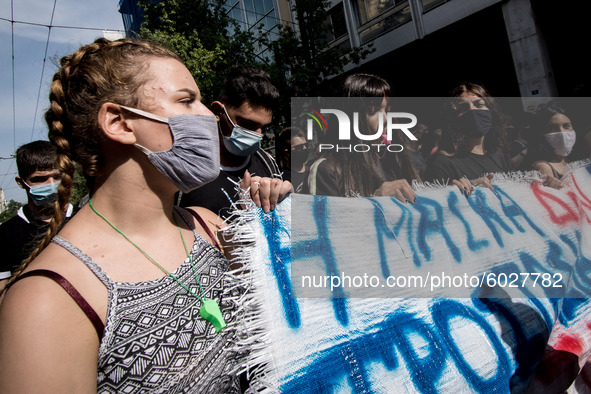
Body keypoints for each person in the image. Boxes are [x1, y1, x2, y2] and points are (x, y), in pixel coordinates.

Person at [0, 38, 247, 392]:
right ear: (119, 122)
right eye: (185, 100)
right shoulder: (48, 300)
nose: (210, 116)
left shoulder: (210, 226)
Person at [179, 66, 291, 218]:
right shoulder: (183, 169)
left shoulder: (267, 162)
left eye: (263, 127)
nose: (257, 135)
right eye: (248, 125)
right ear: (218, 111)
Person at [304, 73, 418, 201]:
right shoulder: (325, 169)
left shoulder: (391, 159)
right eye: (372, 111)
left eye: (387, 111)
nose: (386, 119)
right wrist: (377, 200)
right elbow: (325, 219)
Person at [0, 140, 74, 286]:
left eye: (57, 177)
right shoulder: (5, 234)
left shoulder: (85, 218)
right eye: (39, 179)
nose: (51, 184)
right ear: (21, 182)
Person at [423, 82, 512, 196]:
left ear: (490, 110)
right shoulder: (443, 163)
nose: (472, 111)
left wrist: (539, 165)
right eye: (463, 108)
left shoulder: (499, 153)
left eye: (479, 104)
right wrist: (469, 191)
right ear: (454, 117)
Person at [525, 104, 577, 189]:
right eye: (553, 128)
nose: (562, 132)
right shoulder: (544, 166)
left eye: (566, 126)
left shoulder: (573, 158)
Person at [276, 127, 310, 193]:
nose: (304, 148)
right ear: (286, 152)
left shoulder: (314, 170)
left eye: (306, 145)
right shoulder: (282, 179)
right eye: (299, 147)